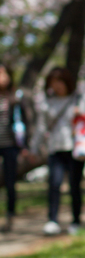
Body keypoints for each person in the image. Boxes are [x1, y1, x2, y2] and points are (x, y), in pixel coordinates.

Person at [31, 67, 85, 236]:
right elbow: (41, 128)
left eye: (59, 82)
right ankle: (52, 220)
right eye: (53, 83)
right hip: (55, 149)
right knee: (54, 184)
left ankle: (76, 220)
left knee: (74, 185)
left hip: (76, 149)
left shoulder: (79, 100)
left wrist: (82, 114)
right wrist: (34, 149)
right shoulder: (47, 103)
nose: (56, 86)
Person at [0, 60, 30, 233]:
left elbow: (22, 123)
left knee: (10, 182)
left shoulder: (15, 98)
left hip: (10, 145)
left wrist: (23, 146)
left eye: (3, 73)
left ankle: (10, 216)